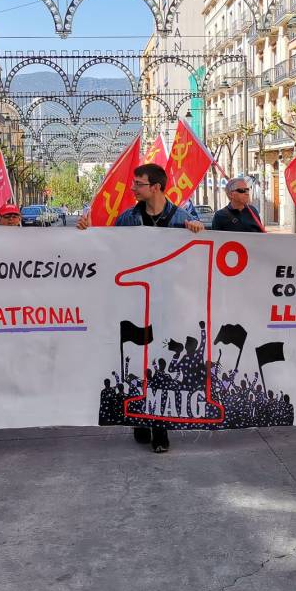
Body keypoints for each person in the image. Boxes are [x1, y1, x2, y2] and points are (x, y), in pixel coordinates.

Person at [77, 163, 204, 454]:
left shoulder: (183, 220)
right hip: (135, 302)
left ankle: (160, 427)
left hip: (169, 304)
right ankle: (140, 418)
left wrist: (198, 232)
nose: (133, 188)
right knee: (136, 361)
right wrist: (88, 231)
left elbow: (199, 255)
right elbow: (108, 249)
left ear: (156, 187)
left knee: (161, 362)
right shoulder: (128, 219)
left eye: (139, 184)